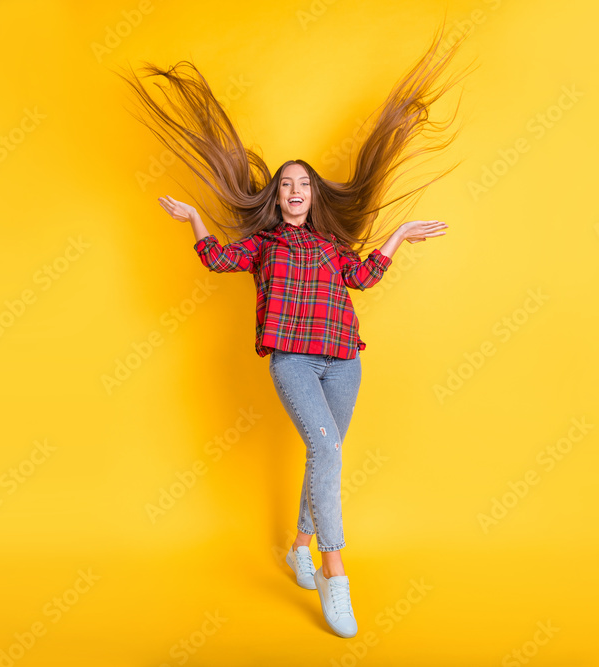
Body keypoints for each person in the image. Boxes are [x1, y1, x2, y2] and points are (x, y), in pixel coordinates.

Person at [119, 21, 469, 638]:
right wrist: (197, 219)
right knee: (328, 449)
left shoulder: (334, 246)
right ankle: (336, 575)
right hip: (294, 361)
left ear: (314, 195)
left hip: (344, 359)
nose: (295, 190)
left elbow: (362, 278)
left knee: (322, 455)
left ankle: (298, 547)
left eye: (303, 183)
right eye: (286, 184)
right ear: (277, 197)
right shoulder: (263, 246)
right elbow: (215, 260)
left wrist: (396, 237)